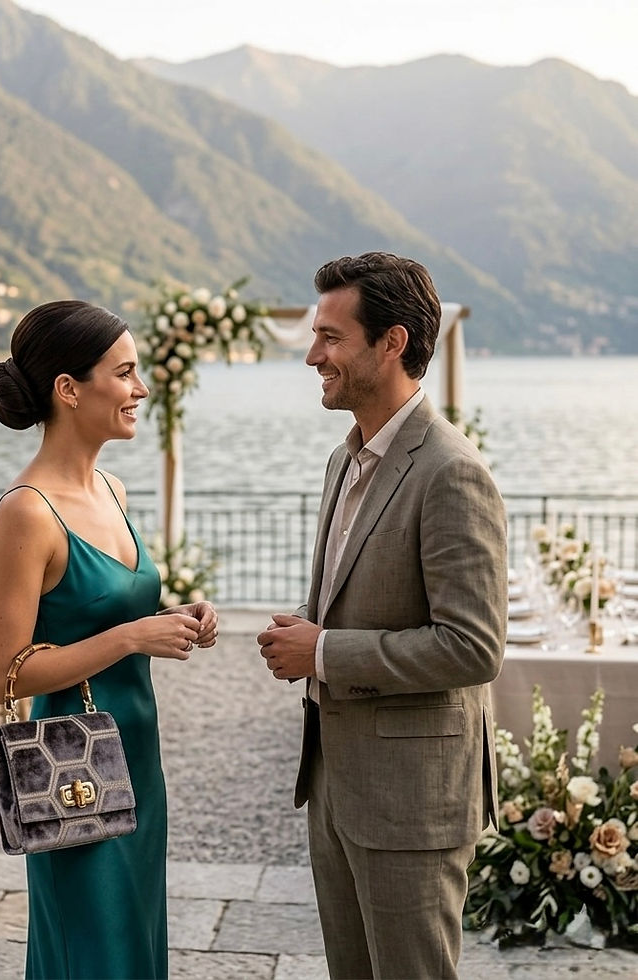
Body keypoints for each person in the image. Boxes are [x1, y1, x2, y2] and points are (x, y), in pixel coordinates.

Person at [256, 252, 508, 980]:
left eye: (330, 337)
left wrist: (325, 652)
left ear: (391, 343)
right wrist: (303, 628)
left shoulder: (452, 471)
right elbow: (361, 594)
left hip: (412, 798)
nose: (313, 355)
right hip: (337, 783)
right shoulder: (346, 459)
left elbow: (472, 647)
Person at [0, 300, 218, 980]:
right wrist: (130, 636)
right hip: (71, 768)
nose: (140, 389)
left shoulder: (112, 489)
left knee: (137, 945)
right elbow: (2, 674)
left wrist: (178, 618)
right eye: (125, 372)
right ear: (68, 389)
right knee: (95, 953)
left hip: (139, 755)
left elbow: (104, 610)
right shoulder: (27, 510)